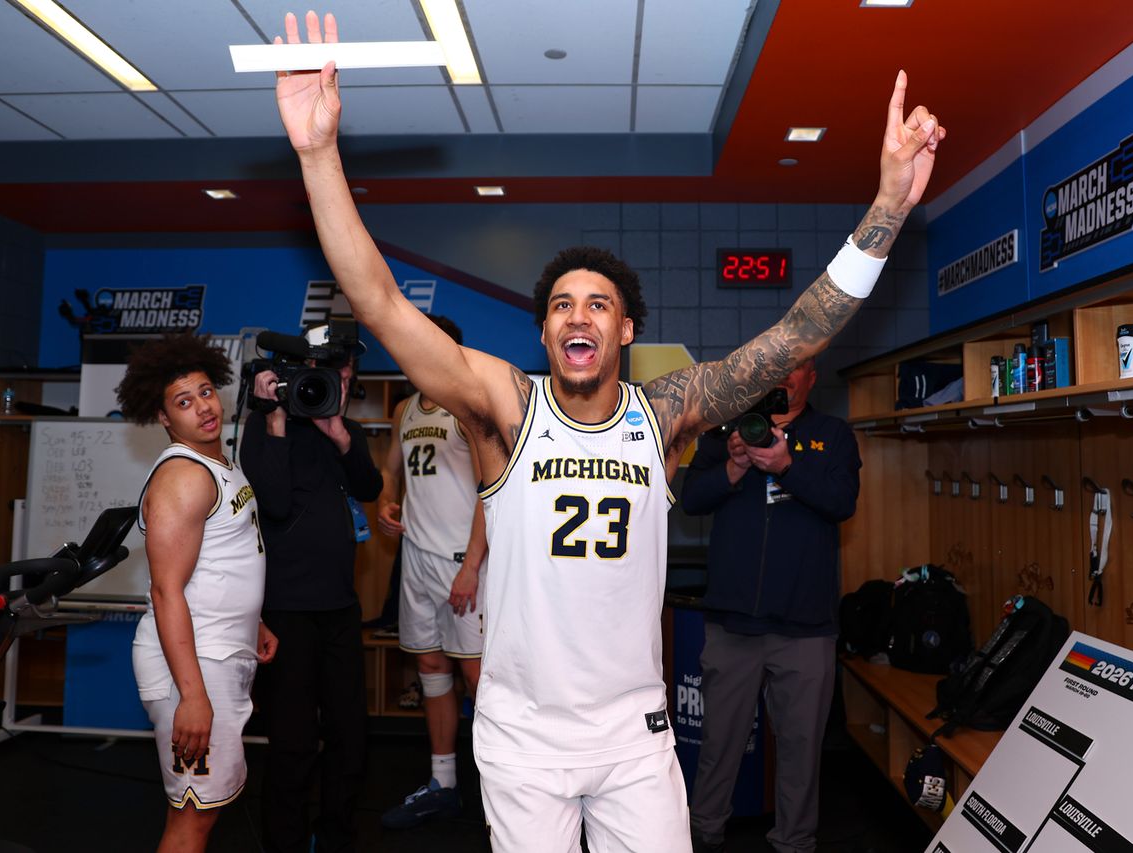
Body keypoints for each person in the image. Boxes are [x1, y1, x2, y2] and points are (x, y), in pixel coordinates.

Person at [271, 12, 944, 849]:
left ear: (624, 331)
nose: (577, 315)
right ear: (546, 335)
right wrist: (317, 155)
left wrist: (885, 207)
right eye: (559, 305)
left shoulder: (662, 414)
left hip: (634, 739)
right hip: (522, 738)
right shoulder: (506, 410)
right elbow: (379, 301)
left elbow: (797, 334)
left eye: (598, 303)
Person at [681, 358, 860, 853]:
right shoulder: (725, 432)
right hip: (734, 624)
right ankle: (703, 833)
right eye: (775, 366)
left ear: (811, 377)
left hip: (806, 628)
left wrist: (786, 465)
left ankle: (794, 843)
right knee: (719, 744)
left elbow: (842, 502)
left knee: (802, 750)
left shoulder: (833, 434)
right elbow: (690, 498)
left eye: (796, 367)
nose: (783, 376)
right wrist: (735, 465)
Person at [116, 334, 278, 853]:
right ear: (164, 418)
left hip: (216, 652)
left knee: (201, 809)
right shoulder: (183, 476)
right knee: (193, 819)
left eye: (205, 392)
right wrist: (192, 696)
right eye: (183, 402)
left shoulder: (219, 465)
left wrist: (252, 619)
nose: (203, 407)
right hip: (192, 666)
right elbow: (166, 590)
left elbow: (222, 559)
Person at [239, 323, 383, 853]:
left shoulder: (344, 431)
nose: (337, 387)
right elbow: (272, 503)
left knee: (350, 736)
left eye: (346, 379)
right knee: (294, 743)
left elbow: (370, 486)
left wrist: (342, 436)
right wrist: (275, 417)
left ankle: (337, 836)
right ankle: (286, 842)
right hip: (287, 612)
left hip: (341, 607)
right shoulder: (265, 427)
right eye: (329, 377)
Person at [374, 314, 488, 829]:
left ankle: (503, 787)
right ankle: (444, 782)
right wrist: (387, 498)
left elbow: (493, 493)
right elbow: (390, 470)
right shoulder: (404, 408)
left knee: (478, 676)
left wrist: (471, 565)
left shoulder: (469, 410)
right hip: (416, 562)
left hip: (464, 563)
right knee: (432, 669)